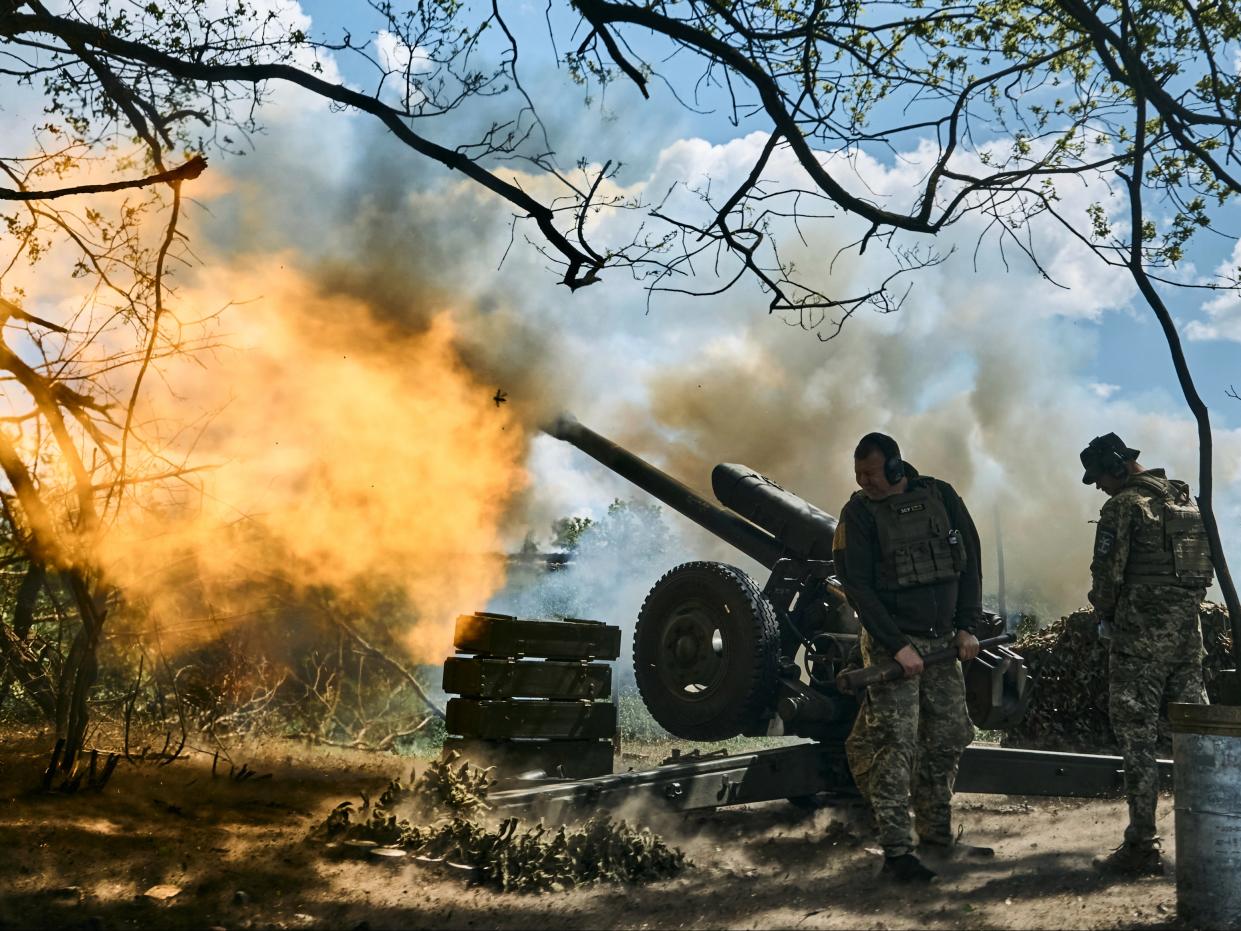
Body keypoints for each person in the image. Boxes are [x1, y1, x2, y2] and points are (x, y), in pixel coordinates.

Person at [832, 432, 985, 883]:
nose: (864, 483)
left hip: (943, 643)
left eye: (872, 474)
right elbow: (856, 587)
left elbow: (969, 560)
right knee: (894, 746)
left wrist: (968, 626)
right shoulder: (857, 515)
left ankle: (936, 837)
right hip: (892, 647)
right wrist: (897, 645)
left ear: (897, 468)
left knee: (948, 735)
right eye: (858, 475)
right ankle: (897, 852)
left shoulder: (940, 496)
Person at [1080, 432, 1213, 876]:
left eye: (1099, 477)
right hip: (1187, 640)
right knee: (1198, 737)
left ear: (1117, 465)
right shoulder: (1184, 499)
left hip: (1138, 645)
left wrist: (1104, 612)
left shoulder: (1122, 507)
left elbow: (1107, 576)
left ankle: (1141, 845)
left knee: (1137, 741)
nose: (1099, 486)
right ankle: (1215, 839)